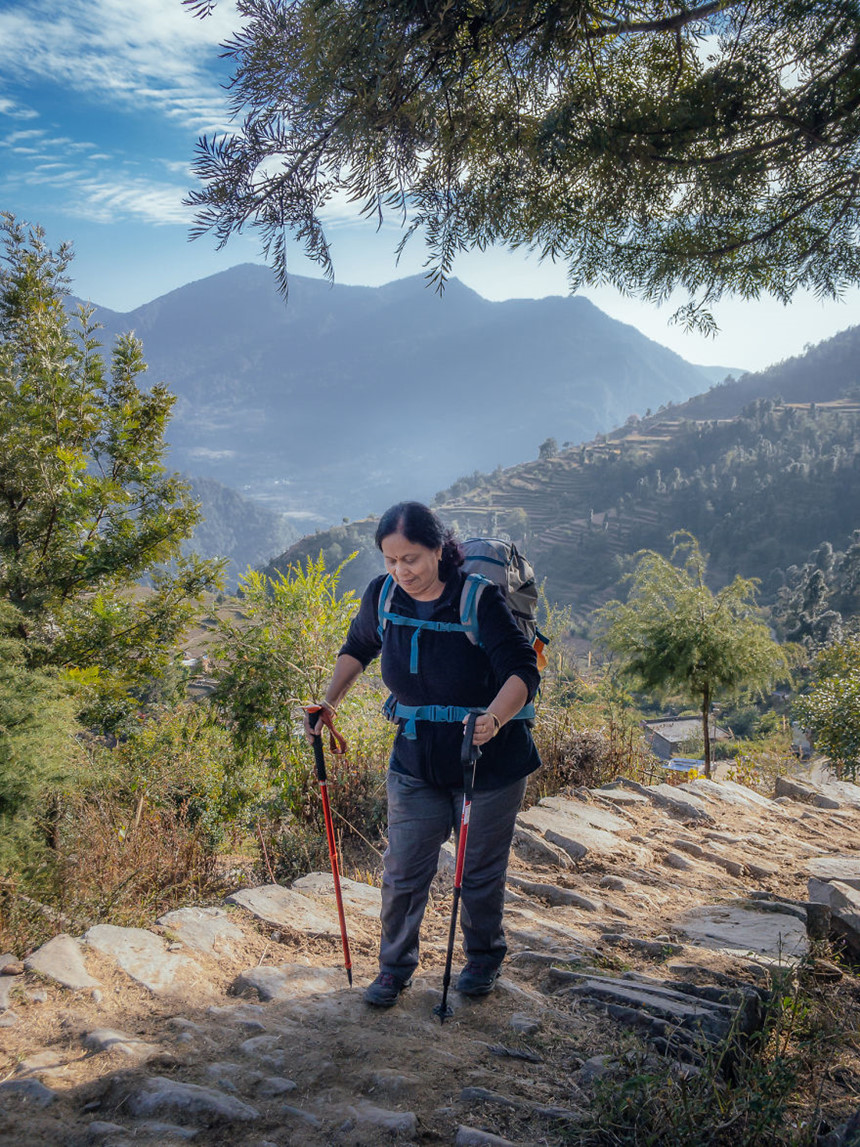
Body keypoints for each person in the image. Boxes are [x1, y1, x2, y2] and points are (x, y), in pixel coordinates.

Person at [304, 501, 541, 1008]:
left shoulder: (477, 600)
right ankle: (394, 969)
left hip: (488, 762)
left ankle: (481, 960)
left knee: (477, 870)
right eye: (391, 560)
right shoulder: (384, 595)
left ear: (439, 548)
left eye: (410, 558)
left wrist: (493, 719)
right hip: (415, 758)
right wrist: (329, 703)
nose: (401, 571)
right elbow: (358, 647)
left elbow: (523, 670)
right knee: (403, 868)